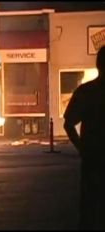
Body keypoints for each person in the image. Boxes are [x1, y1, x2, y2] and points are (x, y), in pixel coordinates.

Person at [64, 45, 105, 230]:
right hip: (94, 159)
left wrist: (82, 148)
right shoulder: (86, 92)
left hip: (92, 160)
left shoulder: (86, 92)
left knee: (89, 209)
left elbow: (68, 124)